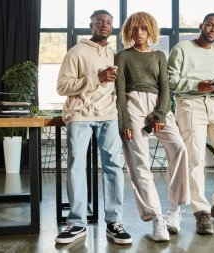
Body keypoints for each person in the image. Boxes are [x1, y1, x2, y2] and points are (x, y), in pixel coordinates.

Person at [55, 10, 132, 245]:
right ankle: (77, 223)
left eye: (108, 22)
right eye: (100, 22)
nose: (105, 25)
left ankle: (114, 222)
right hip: (80, 114)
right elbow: (62, 87)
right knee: (77, 165)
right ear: (91, 25)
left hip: (109, 115)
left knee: (113, 165)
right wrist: (96, 78)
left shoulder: (114, 54)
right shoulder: (76, 52)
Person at [115, 12, 190, 242]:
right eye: (135, 29)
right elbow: (119, 89)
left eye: (143, 29)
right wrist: (124, 120)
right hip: (133, 104)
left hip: (158, 105)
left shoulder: (159, 55)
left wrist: (159, 114)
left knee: (179, 148)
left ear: (151, 31)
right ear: (129, 31)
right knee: (140, 162)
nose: (139, 33)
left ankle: (174, 210)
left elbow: (166, 87)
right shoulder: (122, 56)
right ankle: (157, 217)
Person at [167, 13, 214, 235]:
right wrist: (197, 85)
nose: (213, 29)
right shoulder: (182, 48)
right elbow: (170, 80)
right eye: (210, 25)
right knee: (195, 158)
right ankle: (202, 212)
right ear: (201, 26)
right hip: (190, 105)